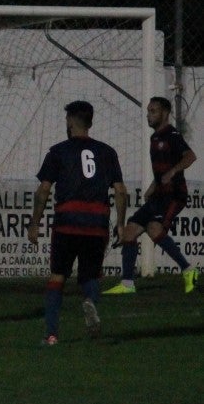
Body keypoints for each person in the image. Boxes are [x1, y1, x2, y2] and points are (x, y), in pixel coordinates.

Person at [27, 100, 128, 344]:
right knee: (90, 277)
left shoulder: (58, 151)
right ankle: (90, 301)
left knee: (58, 277)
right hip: (97, 223)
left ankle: (51, 335)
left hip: (67, 222)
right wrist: (120, 224)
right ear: (90, 122)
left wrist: (35, 223)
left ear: (70, 122)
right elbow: (120, 191)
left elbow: (43, 190)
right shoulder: (107, 152)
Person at [103, 96, 198, 295]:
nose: (148, 115)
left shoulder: (172, 135)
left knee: (154, 229)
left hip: (174, 195)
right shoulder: (154, 138)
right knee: (129, 231)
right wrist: (153, 186)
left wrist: (173, 172)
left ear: (165, 113)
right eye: (148, 111)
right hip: (159, 195)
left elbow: (190, 156)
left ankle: (188, 270)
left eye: (153, 111)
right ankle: (127, 284)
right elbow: (162, 170)